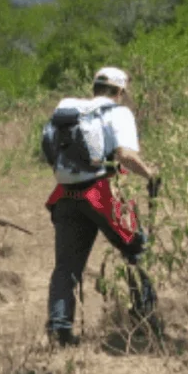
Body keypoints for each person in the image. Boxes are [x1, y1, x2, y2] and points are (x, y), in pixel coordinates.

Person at [44, 67, 159, 347]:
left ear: (94, 87)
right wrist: (151, 174)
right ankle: (145, 318)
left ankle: (60, 330)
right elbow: (125, 155)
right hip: (103, 191)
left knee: (66, 266)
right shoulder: (118, 113)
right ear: (120, 91)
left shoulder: (69, 109)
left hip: (66, 193)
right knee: (135, 251)